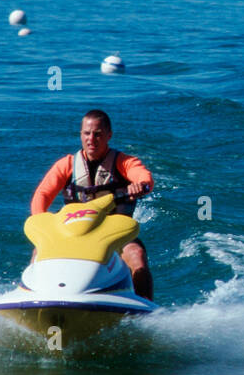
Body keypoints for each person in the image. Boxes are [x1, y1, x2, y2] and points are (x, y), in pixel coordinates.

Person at [31, 109, 155, 300]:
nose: (91, 139)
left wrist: (141, 185)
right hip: (73, 233)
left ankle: (145, 309)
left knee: (136, 254)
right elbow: (43, 193)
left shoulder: (124, 162)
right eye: (87, 133)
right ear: (80, 135)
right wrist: (40, 222)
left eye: (98, 134)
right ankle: (34, 296)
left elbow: (143, 177)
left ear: (109, 135)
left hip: (114, 236)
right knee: (38, 252)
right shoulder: (67, 165)